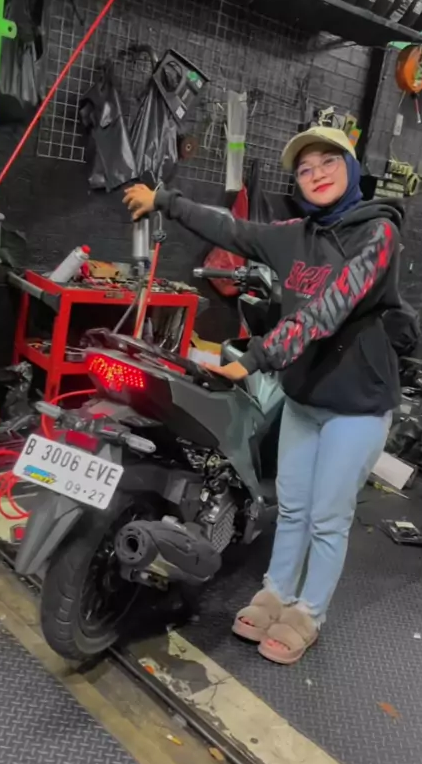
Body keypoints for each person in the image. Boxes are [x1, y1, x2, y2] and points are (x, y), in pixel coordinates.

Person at [123, 126, 402, 666]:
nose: (316, 174)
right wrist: (165, 201)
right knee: (293, 507)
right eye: (305, 169)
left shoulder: (378, 232)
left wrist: (252, 359)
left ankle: (308, 613)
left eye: (328, 162)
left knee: (327, 518)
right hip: (304, 398)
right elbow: (233, 230)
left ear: (351, 167)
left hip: (358, 406)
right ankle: (275, 594)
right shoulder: (296, 234)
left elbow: (328, 310)